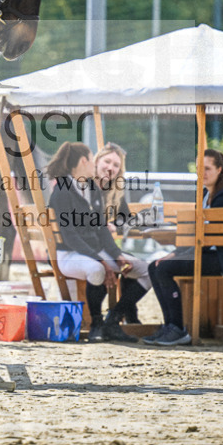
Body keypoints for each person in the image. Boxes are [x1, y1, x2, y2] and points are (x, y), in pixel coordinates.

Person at [144, 149, 223, 346]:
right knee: (154, 266)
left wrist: (177, 255)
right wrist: (175, 253)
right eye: (199, 168)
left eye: (207, 168)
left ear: (220, 170)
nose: (202, 173)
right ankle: (171, 326)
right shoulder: (205, 194)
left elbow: (209, 241)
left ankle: (178, 329)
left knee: (164, 268)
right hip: (209, 254)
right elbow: (197, 237)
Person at [46, 142, 148, 343]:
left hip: (95, 251)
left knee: (147, 269)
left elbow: (101, 228)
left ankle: (114, 319)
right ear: (84, 161)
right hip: (70, 254)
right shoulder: (62, 191)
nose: (95, 165)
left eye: (115, 164)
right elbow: (70, 237)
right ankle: (96, 324)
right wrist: (101, 260)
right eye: (95, 160)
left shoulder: (92, 188)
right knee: (97, 269)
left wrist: (117, 256)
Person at [93, 142, 152, 338]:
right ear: (96, 161)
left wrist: (114, 225)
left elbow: (125, 219)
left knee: (136, 266)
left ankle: (120, 317)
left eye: (116, 165)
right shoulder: (84, 187)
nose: (110, 168)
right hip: (86, 250)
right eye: (107, 161)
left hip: (105, 248)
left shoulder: (115, 191)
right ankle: (117, 318)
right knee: (138, 267)